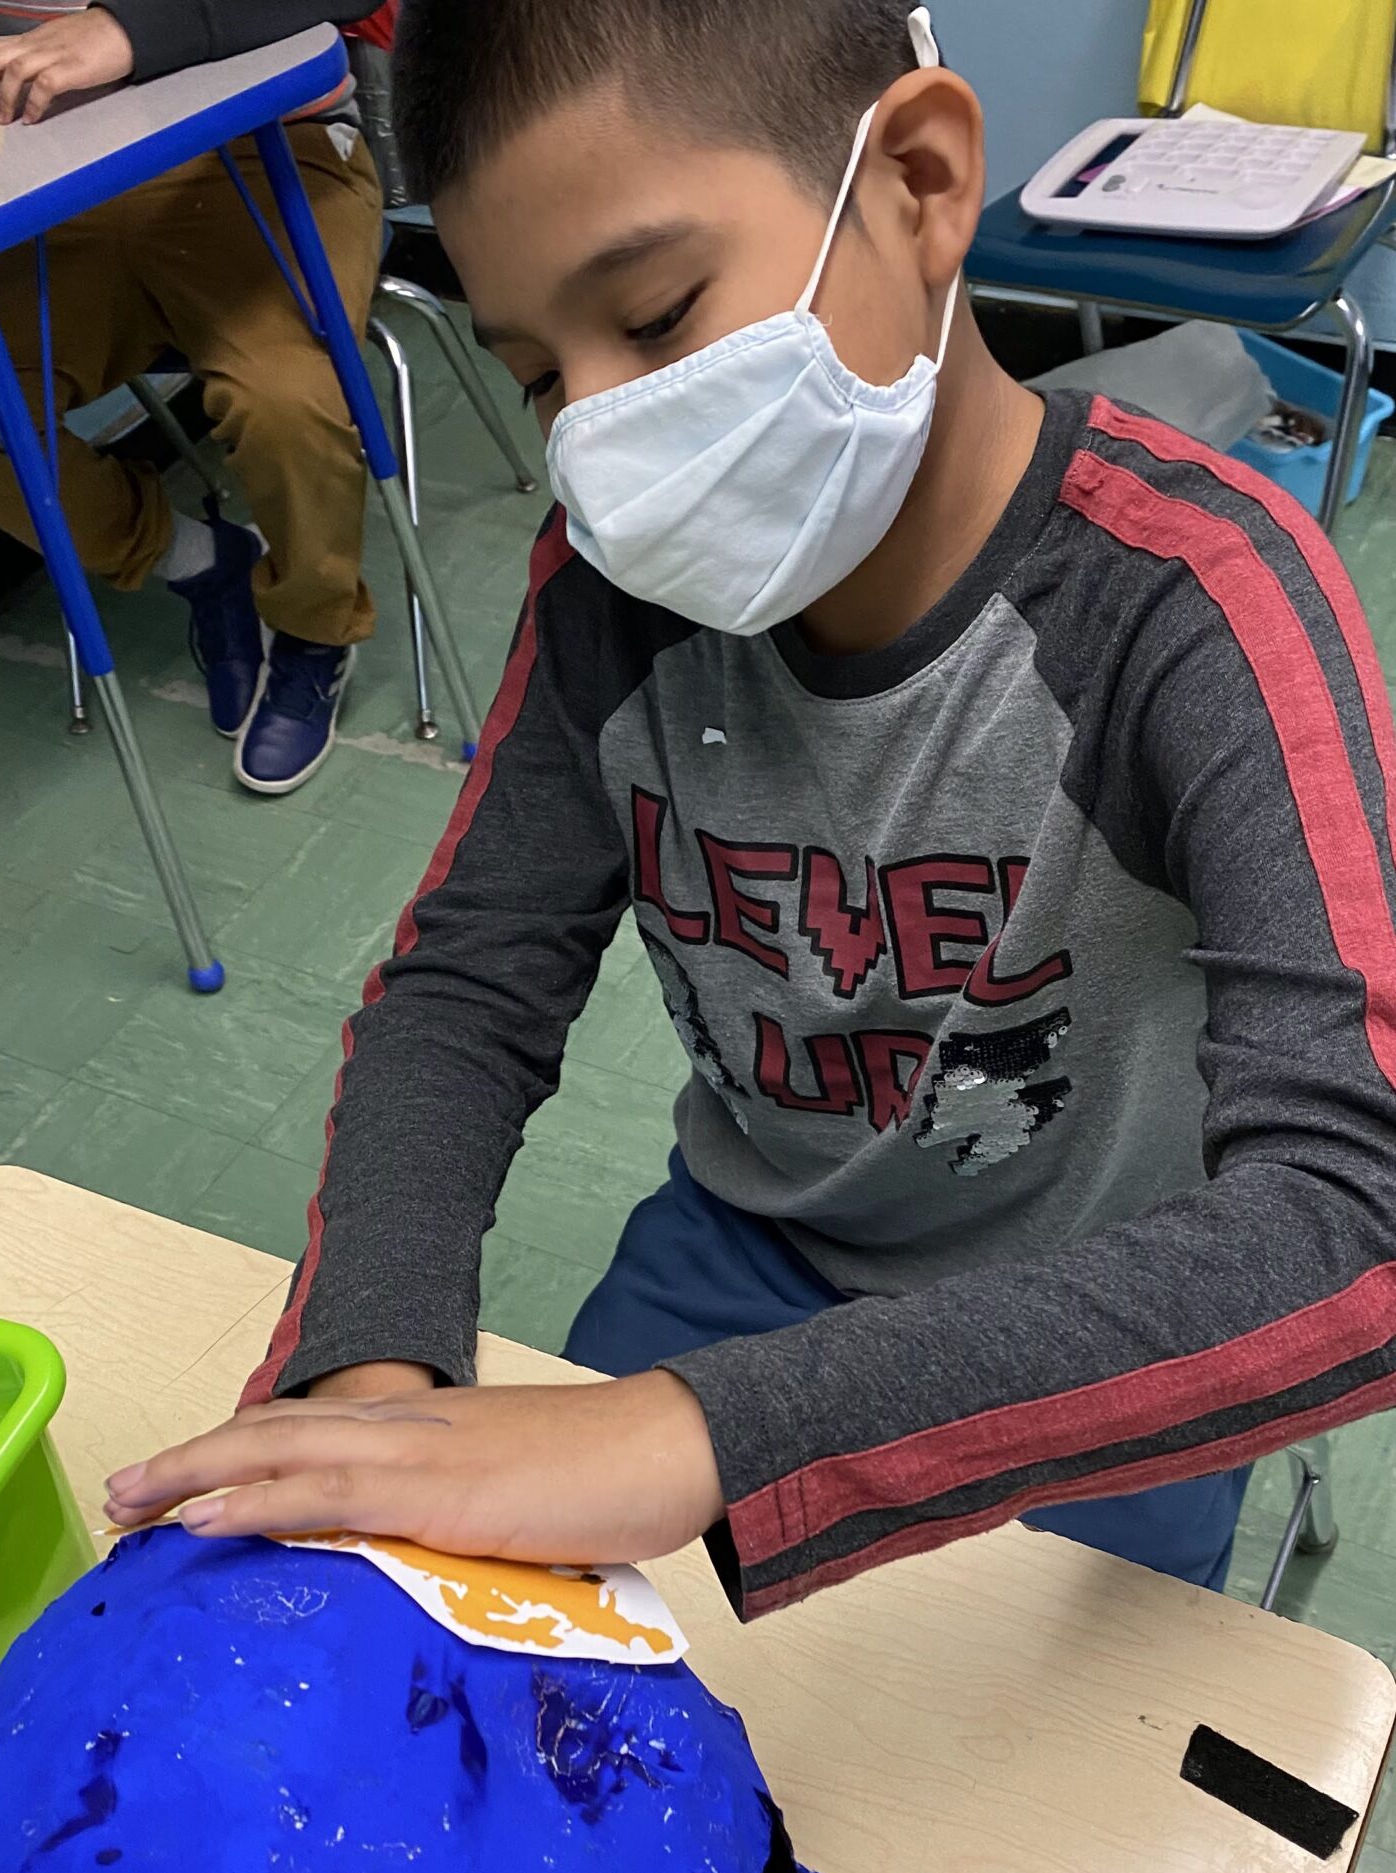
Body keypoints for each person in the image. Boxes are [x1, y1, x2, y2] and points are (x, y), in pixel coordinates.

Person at [107, 0, 1396, 1621]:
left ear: (920, 185)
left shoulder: (1194, 603)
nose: (599, 442)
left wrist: (707, 1431)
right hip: (747, 1257)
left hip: (1092, 1325)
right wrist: (373, 1369)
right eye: (535, 380)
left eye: (651, 319)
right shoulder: (614, 599)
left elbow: (1356, 1224)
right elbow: (470, 984)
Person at [0, 2, 391, 793]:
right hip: (55, 164)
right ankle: (203, 562)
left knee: (287, 400)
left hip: (270, 143)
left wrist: (132, 30)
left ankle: (314, 630)